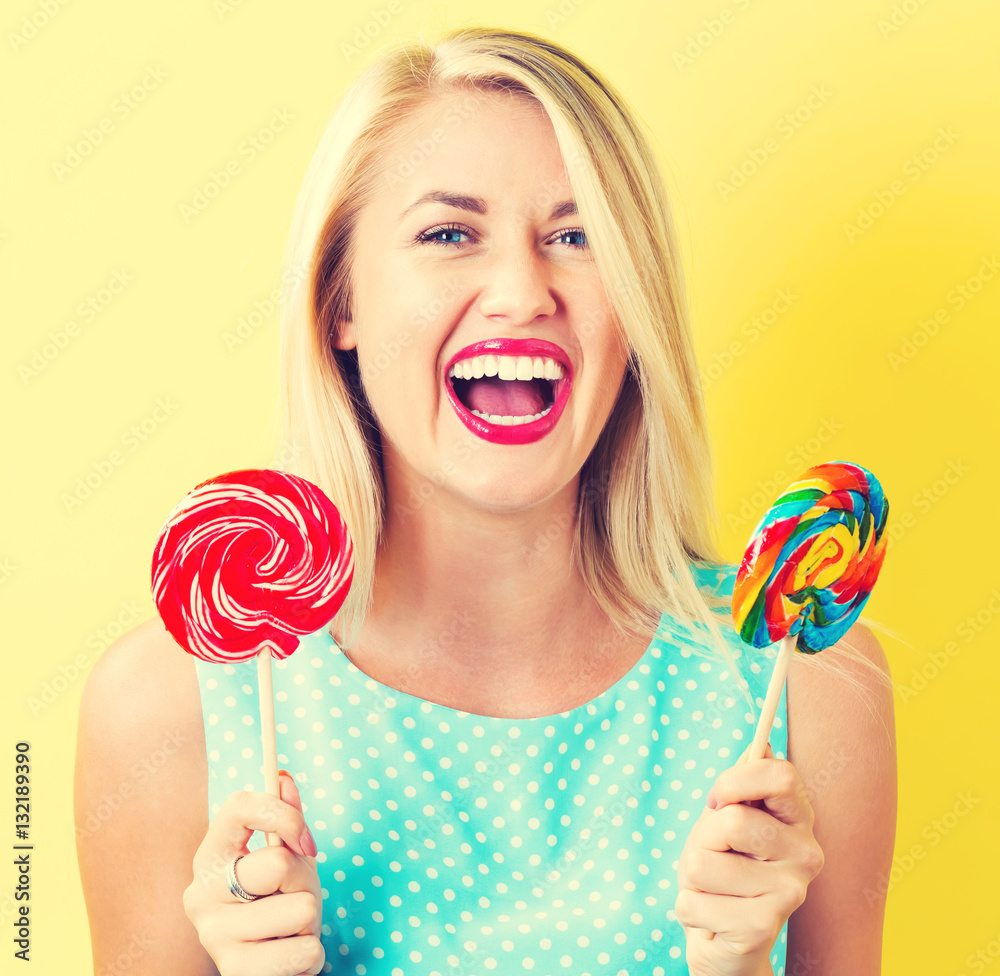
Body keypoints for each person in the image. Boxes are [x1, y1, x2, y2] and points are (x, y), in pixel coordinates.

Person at [75, 26, 896, 976]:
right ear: (339, 301)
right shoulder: (167, 709)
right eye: (448, 233)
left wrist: (739, 968)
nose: (520, 291)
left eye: (577, 236)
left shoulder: (804, 686)